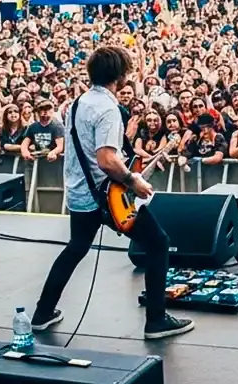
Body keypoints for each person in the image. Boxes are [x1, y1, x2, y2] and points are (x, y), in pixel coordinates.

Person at [32, 47, 193, 341]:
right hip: (108, 197)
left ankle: (42, 313)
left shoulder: (77, 103)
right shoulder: (107, 109)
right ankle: (156, 320)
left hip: (81, 194)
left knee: (76, 247)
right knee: (158, 243)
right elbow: (106, 159)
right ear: (121, 76)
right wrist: (134, 180)